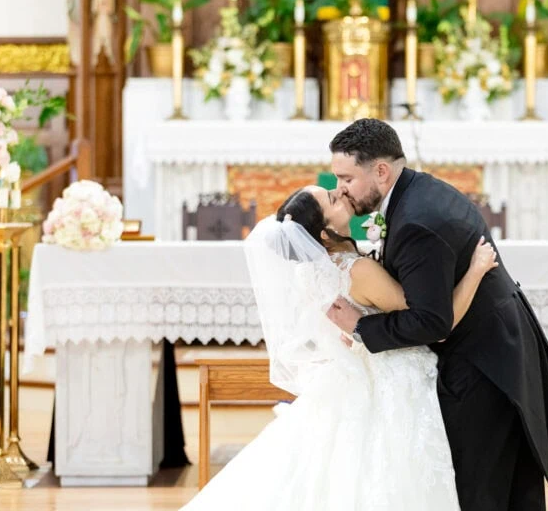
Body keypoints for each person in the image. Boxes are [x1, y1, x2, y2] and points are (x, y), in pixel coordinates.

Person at [179, 184, 497, 511]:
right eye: (332, 198)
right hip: (394, 374)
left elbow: (347, 326)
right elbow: (436, 326)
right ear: (325, 233)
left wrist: (358, 328)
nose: (341, 193)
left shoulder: (310, 272)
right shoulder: (359, 270)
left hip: (354, 370)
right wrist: (475, 270)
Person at [326, 119, 548, 511]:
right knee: (504, 488)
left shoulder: (416, 221)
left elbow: (432, 321)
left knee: (479, 490)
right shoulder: (416, 192)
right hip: (494, 345)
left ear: (380, 171)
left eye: (346, 177)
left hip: (483, 363)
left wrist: (360, 326)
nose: (340, 189)